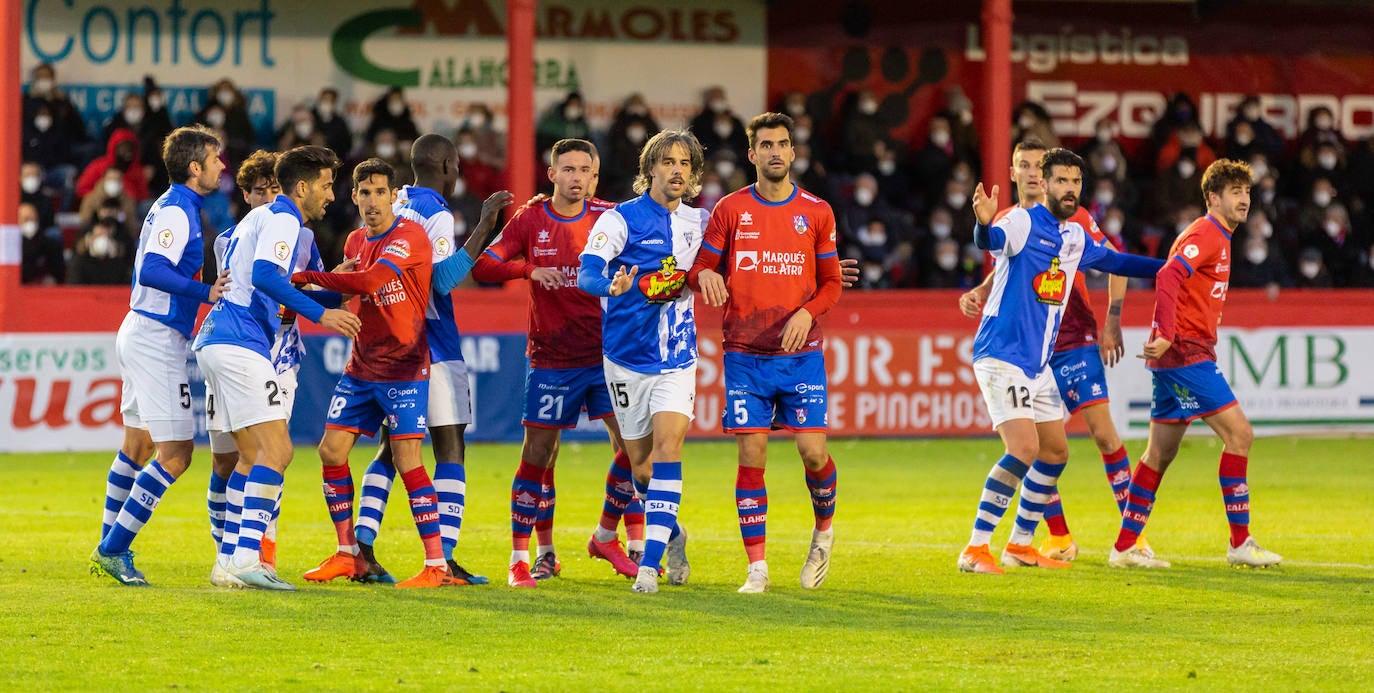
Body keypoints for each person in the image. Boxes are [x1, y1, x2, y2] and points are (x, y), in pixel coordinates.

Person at [956, 148, 1165, 575]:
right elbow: (990, 242)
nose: (1069, 189)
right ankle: (975, 549)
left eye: (1076, 183)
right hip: (1003, 354)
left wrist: (1172, 267)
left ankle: (1020, 544)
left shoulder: (1074, 236)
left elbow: (1116, 262)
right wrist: (981, 221)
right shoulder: (1018, 221)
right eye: (1062, 182)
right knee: (1024, 448)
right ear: (1045, 185)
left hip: (1037, 364)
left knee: (1054, 452)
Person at [470, 139, 640, 587]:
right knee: (539, 456)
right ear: (552, 175)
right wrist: (528, 270)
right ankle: (527, 557)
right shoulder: (531, 218)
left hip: (607, 355)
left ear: (595, 177)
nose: (576, 177)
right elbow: (485, 266)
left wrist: (626, 282)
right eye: (568, 169)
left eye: (585, 169)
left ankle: (623, 540)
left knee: (633, 450)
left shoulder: (611, 217)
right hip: (551, 356)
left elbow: (647, 258)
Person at [290, 158, 466, 588]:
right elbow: (350, 287)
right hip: (361, 366)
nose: (372, 201)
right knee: (331, 452)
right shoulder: (353, 241)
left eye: (380, 193)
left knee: (408, 461)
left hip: (405, 367)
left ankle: (436, 565)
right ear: (354, 197)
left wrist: (308, 278)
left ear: (394, 196)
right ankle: (349, 554)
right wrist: (325, 284)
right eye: (364, 193)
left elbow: (370, 282)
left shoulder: (410, 236)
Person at [346, 134, 512, 586]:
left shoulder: (391, 201)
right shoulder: (437, 212)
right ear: (445, 165)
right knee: (449, 446)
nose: (458, 173)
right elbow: (442, 281)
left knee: (390, 447)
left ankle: (361, 549)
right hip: (433, 345)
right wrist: (485, 226)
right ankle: (446, 559)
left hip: (388, 347)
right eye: (456, 165)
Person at [194, 145, 361, 590]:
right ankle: (250, 557)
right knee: (279, 451)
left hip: (217, 340)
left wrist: (340, 286)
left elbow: (269, 280)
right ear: (302, 187)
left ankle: (228, 561)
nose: (331, 195)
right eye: (326, 185)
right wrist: (322, 314)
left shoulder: (258, 218)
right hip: (240, 343)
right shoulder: (284, 218)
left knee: (249, 456)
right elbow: (268, 277)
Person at [689, 112, 844, 593]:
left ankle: (823, 533)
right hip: (744, 353)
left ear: (793, 153)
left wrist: (807, 313)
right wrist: (708, 275)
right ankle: (757, 567)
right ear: (752, 154)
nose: (776, 152)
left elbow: (833, 283)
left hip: (800, 353)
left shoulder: (817, 212)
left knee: (812, 451)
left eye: (783, 144)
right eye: (766, 145)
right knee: (751, 454)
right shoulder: (730, 210)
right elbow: (698, 268)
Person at [1110, 160, 1284, 570]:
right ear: (1212, 198)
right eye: (1235, 192)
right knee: (1240, 435)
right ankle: (1240, 543)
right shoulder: (1206, 232)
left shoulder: (1218, 236)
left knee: (1158, 454)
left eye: (1246, 192)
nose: (1244, 199)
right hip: (1186, 353)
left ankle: (1124, 548)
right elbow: (1169, 276)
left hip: (1180, 355)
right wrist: (1168, 333)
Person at [89, 125, 232, 586]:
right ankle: (113, 549)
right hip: (156, 338)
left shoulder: (171, 206)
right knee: (177, 455)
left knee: (137, 446)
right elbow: (153, 269)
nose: (221, 167)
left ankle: (107, 545)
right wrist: (205, 290)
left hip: (140, 330)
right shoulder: (177, 211)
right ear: (195, 168)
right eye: (215, 159)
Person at [577, 129, 708, 594]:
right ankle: (672, 533)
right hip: (626, 359)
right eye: (668, 162)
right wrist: (607, 286)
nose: (677, 170)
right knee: (642, 470)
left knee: (669, 451)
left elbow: (725, 264)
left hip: (677, 358)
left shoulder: (701, 223)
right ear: (649, 168)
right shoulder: (620, 220)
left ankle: (648, 566)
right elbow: (587, 271)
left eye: (685, 164)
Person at [203, 150, 293, 571]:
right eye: (262, 191)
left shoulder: (298, 234)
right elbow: (253, 285)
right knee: (235, 456)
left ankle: (251, 557)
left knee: (260, 452)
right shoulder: (229, 238)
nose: (270, 197)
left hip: (276, 354)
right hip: (241, 344)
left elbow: (303, 282)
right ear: (246, 194)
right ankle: (232, 555)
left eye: (276, 188)